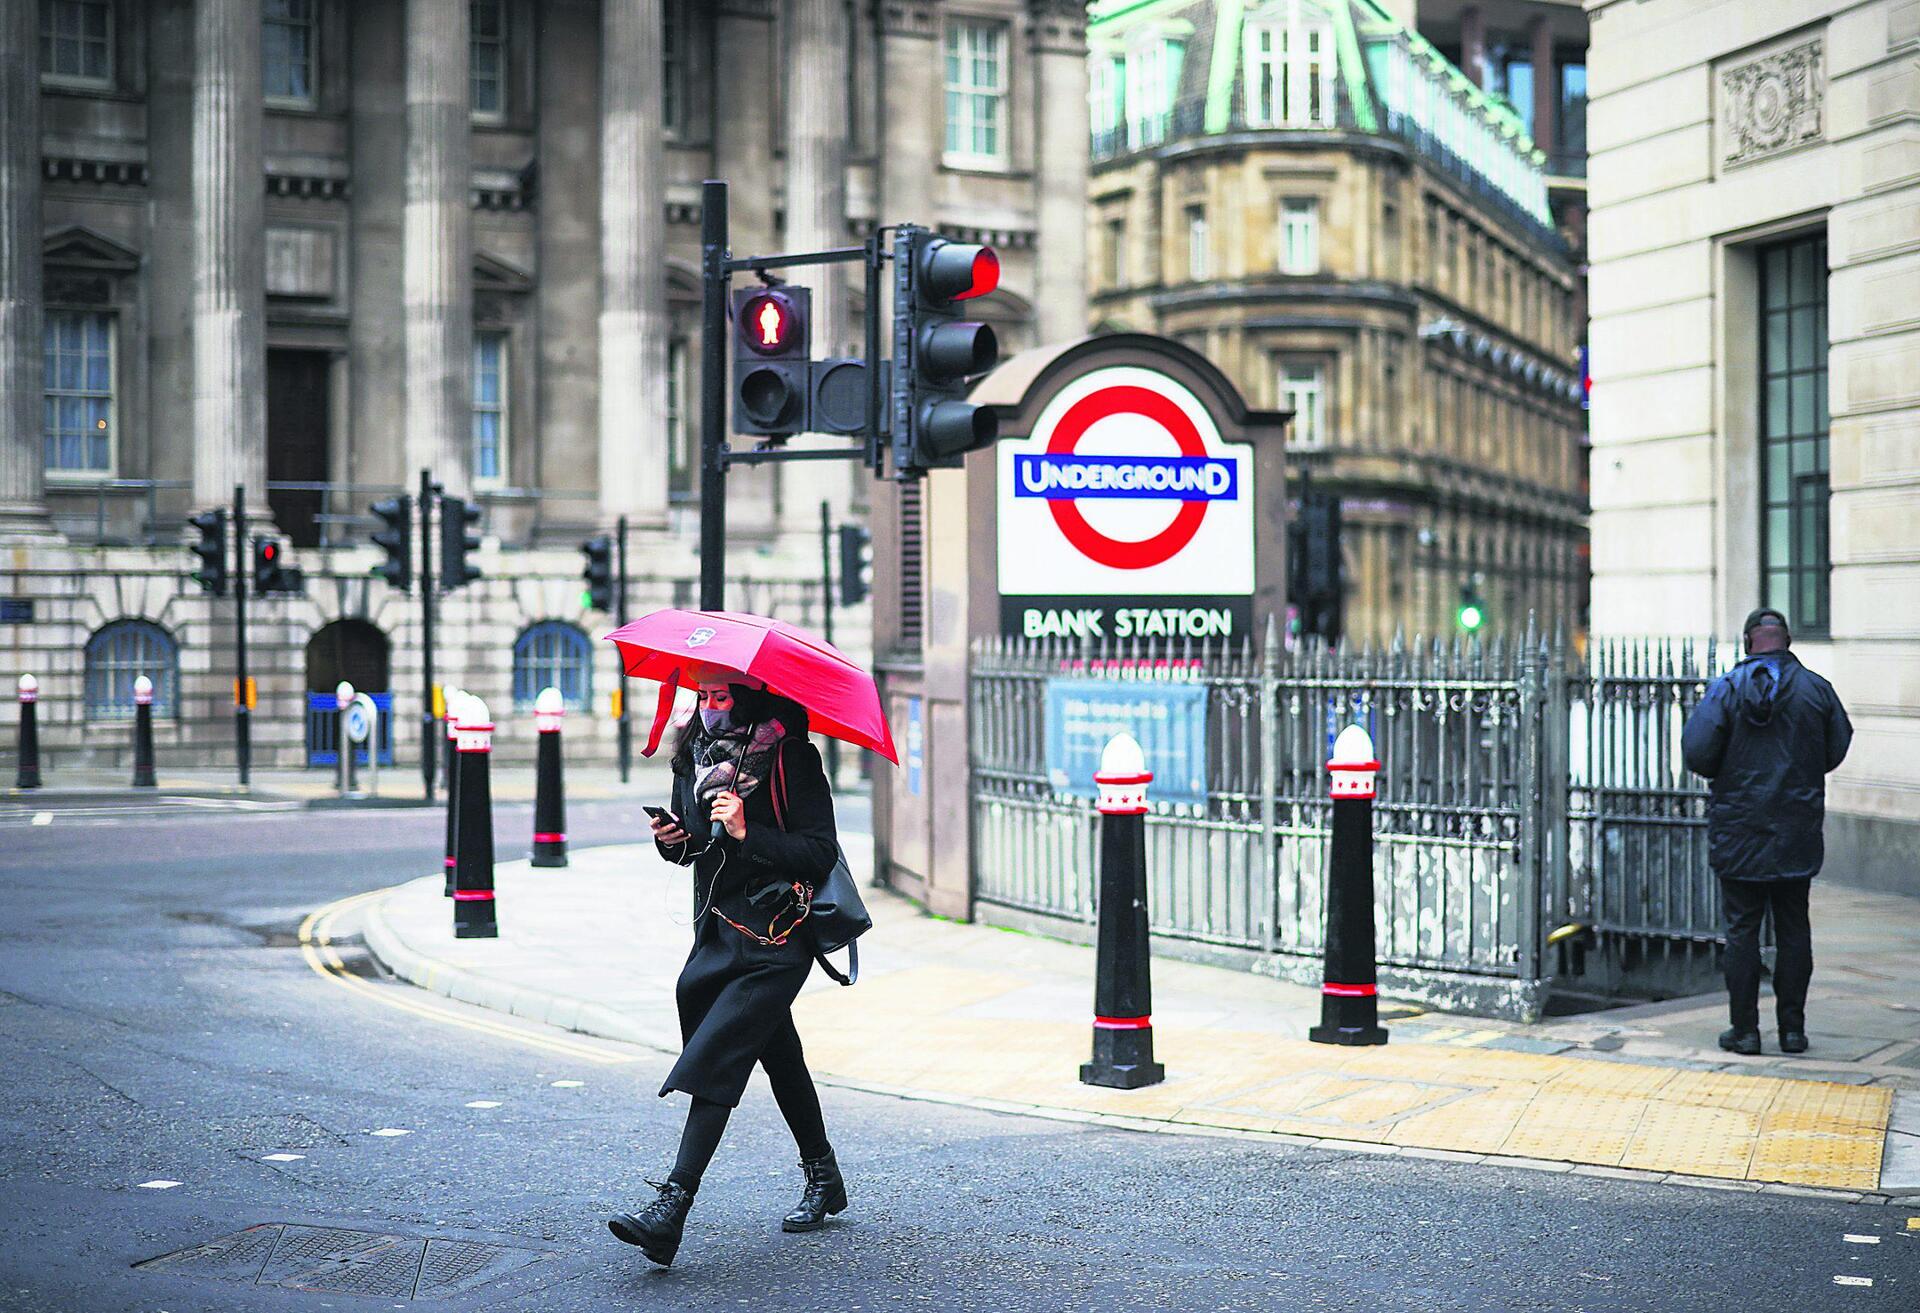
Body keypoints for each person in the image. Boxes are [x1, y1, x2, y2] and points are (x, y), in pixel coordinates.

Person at [606, 672, 846, 1268]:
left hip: (777, 936)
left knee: (718, 1054)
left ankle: (671, 1208)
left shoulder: (791, 757)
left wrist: (747, 830)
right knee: (776, 1052)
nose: (710, 708)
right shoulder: (693, 754)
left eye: (722, 697)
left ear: (750, 698)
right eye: (703, 697)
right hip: (718, 933)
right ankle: (824, 1175)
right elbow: (695, 849)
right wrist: (673, 840)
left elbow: (820, 852)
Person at [1681, 608, 1852, 1057]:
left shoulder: (1726, 689)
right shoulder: (1816, 689)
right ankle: (1793, 1031)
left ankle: (1745, 1032)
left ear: (1747, 643)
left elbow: (1697, 753)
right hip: (1796, 828)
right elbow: (1836, 746)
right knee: (1794, 928)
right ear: (1788, 642)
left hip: (1739, 829)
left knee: (1742, 931)